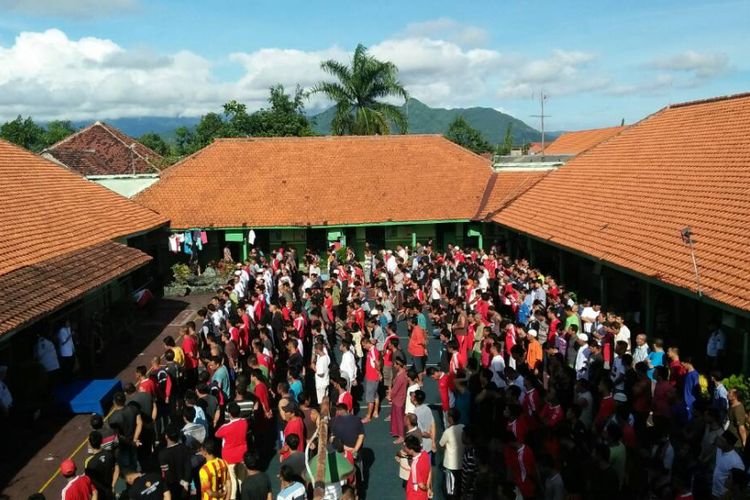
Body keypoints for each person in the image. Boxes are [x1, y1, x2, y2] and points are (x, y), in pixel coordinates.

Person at [215, 403, 248, 499]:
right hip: (242, 456)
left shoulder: (226, 427)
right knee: (242, 479)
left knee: (232, 482)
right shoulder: (244, 422)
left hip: (229, 458)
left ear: (229, 414)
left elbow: (217, 434)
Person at [158, 424, 191, 500]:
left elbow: (166, 474)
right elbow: (188, 468)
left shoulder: (162, 454)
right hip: (185, 485)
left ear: (166, 436)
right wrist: (185, 484)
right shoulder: (185, 448)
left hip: (172, 487)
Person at [84, 431, 118, 500]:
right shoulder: (109, 454)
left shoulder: (89, 462)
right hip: (110, 490)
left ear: (90, 444)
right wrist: (113, 485)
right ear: (101, 441)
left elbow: (89, 481)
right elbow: (117, 468)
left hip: (100, 495)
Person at [438, 408, 464, 499]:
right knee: (459, 486)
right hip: (461, 464)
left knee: (450, 490)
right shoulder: (463, 427)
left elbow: (441, 444)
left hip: (450, 465)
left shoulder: (448, 432)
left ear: (450, 418)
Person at [403, 435, 432, 500]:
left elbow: (421, 485)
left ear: (411, 450)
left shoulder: (414, 465)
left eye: (405, 447)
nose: (404, 448)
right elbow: (430, 470)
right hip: (423, 495)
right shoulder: (425, 454)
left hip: (414, 495)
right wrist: (428, 487)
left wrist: (426, 488)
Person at [361, 336, 381, 423]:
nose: (363, 347)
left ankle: (368, 416)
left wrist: (378, 372)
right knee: (375, 394)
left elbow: (377, 362)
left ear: (366, 343)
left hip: (372, 377)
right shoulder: (371, 351)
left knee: (370, 397)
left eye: (363, 345)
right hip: (371, 376)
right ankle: (376, 411)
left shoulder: (373, 351)